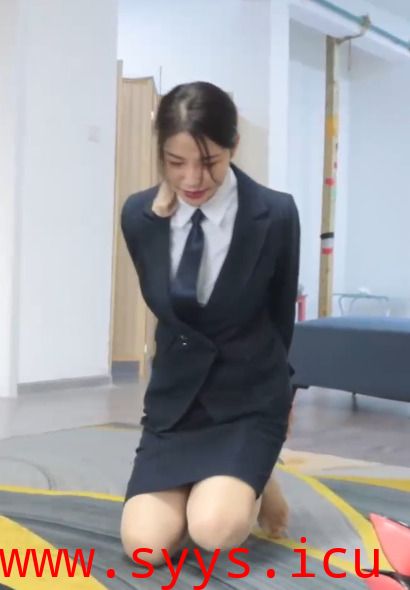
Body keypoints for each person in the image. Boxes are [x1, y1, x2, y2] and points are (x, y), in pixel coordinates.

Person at [120, 81, 300, 565]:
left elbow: (280, 317)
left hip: (248, 401)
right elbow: (171, 316)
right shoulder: (139, 216)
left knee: (214, 531)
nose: (193, 178)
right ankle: (229, 482)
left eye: (209, 161)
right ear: (161, 153)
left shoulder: (275, 214)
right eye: (176, 162)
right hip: (177, 406)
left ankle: (255, 471)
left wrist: (283, 397)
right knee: (145, 548)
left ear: (233, 146)